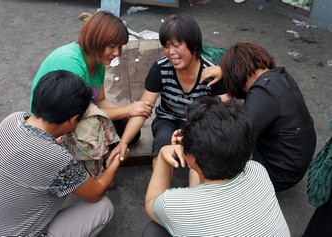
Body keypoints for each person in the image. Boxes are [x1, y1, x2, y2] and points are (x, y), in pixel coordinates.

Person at [0, 70, 128, 236]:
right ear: (73, 120)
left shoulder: (12, 120)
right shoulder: (57, 158)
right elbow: (95, 192)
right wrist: (116, 160)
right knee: (103, 207)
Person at [142, 97, 290, 237]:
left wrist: (163, 155)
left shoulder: (176, 206)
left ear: (191, 157)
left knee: (153, 231)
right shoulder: (258, 171)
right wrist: (193, 149)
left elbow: (151, 203)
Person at [107, 13, 230, 167]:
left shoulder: (211, 72)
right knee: (163, 141)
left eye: (177, 45)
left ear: (194, 45)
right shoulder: (160, 69)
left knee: (201, 150)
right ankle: (159, 191)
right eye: (166, 46)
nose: (171, 52)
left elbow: (226, 112)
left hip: (200, 124)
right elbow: (143, 109)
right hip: (168, 120)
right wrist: (123, 142)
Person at [198, 42, 316, 192]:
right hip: (297, 159)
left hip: (280, 174)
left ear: (237, 73)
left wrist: (220, 103)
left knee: (221, 146)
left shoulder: (263, 93)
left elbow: (235, 136)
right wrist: (225, 70)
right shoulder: (279, 76)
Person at [29, 10, 154, 144]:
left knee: (130, 131)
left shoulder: (98, 61)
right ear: (96, 40)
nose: (117, 53)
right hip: (58, 123)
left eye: (119, 47)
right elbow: (83, 114)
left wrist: (131, 112)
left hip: (80, 115)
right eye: (112, 46)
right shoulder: (70, 62)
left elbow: (99, 100)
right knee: (104, 139)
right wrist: (127, 110)